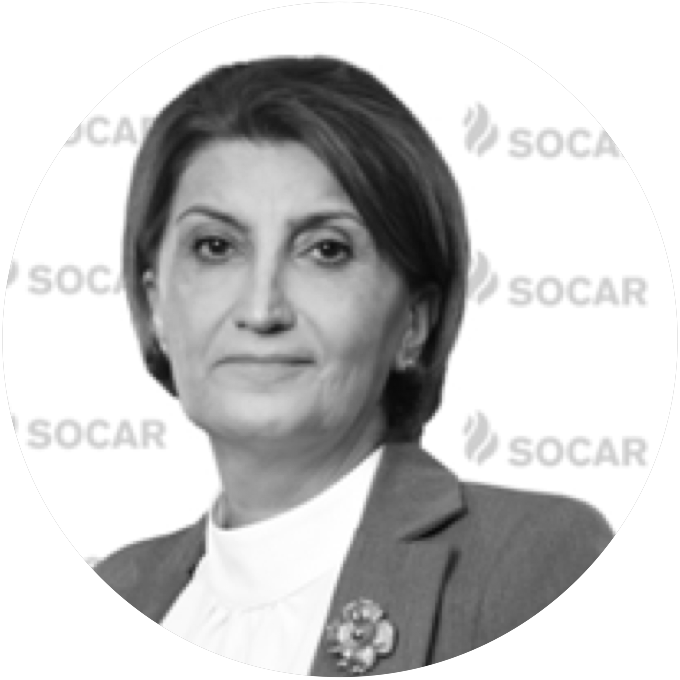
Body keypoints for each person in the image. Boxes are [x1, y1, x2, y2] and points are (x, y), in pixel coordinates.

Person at [95, 55, 613, 676]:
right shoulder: (118, 589)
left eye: (326, 250)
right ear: (156, 305)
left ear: (415, 322)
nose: (261, 310)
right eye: (216, 247)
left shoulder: (533, 560)